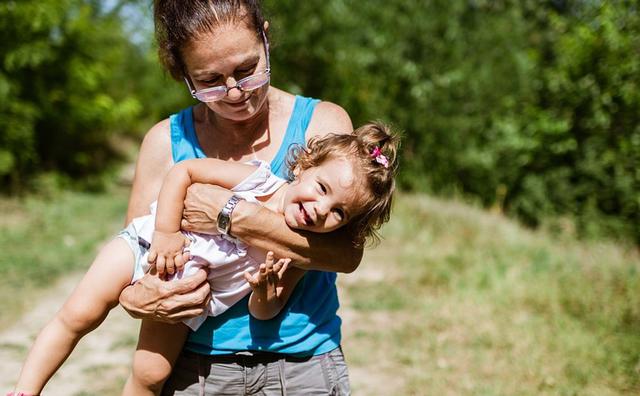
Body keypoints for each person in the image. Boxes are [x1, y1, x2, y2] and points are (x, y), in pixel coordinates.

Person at [10, 124, 399, 396]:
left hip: (186, 290)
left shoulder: (297, 251)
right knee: (77, 316)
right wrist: (165, 233)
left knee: (151, 374)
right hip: (147, 246)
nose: (320, 210)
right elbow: (183, 172)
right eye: (322, 188)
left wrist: (263, 293)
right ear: (303, 166)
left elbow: (266, 311)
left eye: (338, 214)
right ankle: (25, 389)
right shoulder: (257, 181)